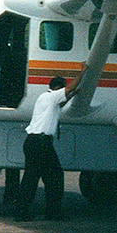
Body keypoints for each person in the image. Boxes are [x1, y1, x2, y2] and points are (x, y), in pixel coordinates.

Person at [19, 74, 79, 220]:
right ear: (58, 88)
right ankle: (52, 213)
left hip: (33, 141)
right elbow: (70, 87)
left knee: (31, 178)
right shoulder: (52, 97)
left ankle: (22, 213)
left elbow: (61, 103)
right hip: (41, 142)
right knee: (55, 177)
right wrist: (83, 71)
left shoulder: (46, 98)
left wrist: (71, 95)